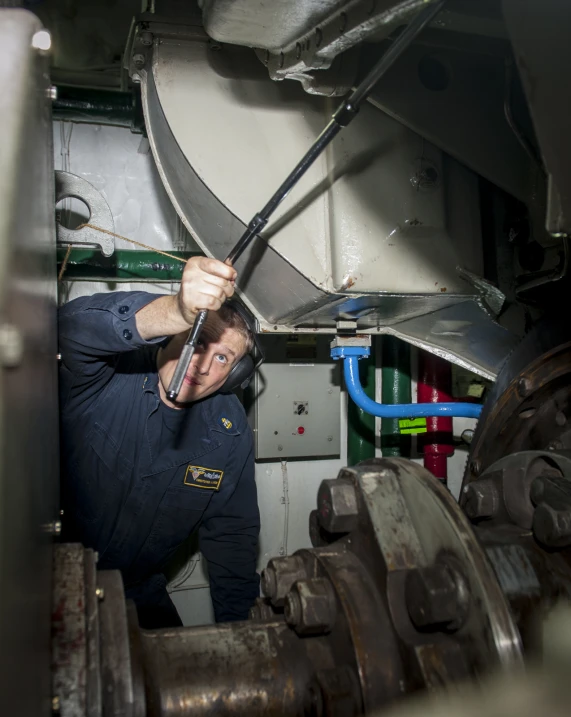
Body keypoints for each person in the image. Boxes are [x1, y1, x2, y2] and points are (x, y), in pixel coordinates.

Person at [58, 256, 260, 628]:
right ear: (172, 332)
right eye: (197, 340)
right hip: (53, 580)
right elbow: (69, 327)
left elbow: (232, 538)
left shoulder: (228, 434)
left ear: (234, 375)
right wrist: (178, 309)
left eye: (222, 357)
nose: (202, 365)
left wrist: (241, 634)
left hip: (136, 591)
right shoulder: (104, 378)